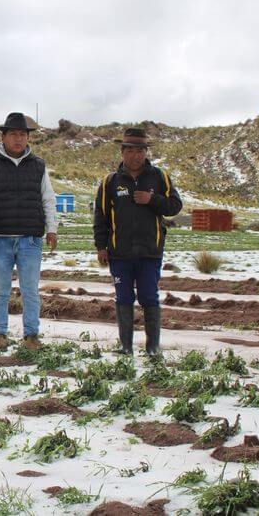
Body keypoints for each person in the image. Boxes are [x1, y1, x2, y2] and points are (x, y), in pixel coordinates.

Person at [94, 128, 182, 356]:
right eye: (131, 150)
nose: (137, 155)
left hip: (150, 252)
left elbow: (175, 206)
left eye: (141, 150)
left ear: (146, 152)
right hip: (119, 253)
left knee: (149, 297)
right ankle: (126, 347)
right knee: (123, 297)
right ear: (122, 152)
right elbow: (101, 217)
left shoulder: (159, 177)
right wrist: (101, 247)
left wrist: (152, 199)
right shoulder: (110, 182)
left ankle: (153, 348)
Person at [0, 112, 58, 349]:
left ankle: (31, 337)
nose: (19, 139)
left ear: (28, 138)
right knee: (1, 290)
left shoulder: (39, 166)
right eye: (13, 134)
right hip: (0, 239)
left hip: (30, 240)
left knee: (30, 290)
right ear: (3, 137)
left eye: (23, 134)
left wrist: (51, 228)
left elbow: (48, 199)